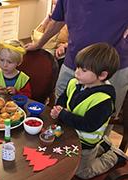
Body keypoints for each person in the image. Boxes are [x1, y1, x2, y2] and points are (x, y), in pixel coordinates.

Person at [25, 0, 128, 131]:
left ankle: (96, 148)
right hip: (73, 60)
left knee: (103, 118)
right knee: (61, 105)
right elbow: (58, 21)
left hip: (114, 68)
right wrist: (39, 44)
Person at [50, 43, 127, 179]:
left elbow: (89, 125)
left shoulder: (103, 100)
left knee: (82, 173)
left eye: (83, 70)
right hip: (70, 133)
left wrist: (63, 114)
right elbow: (64, 98)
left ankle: (113, 156)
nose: (77, 72)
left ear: (102, 75)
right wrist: (58, 107)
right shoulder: (75, 82)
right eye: (78, 67)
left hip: (86, 143)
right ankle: (104, 144)